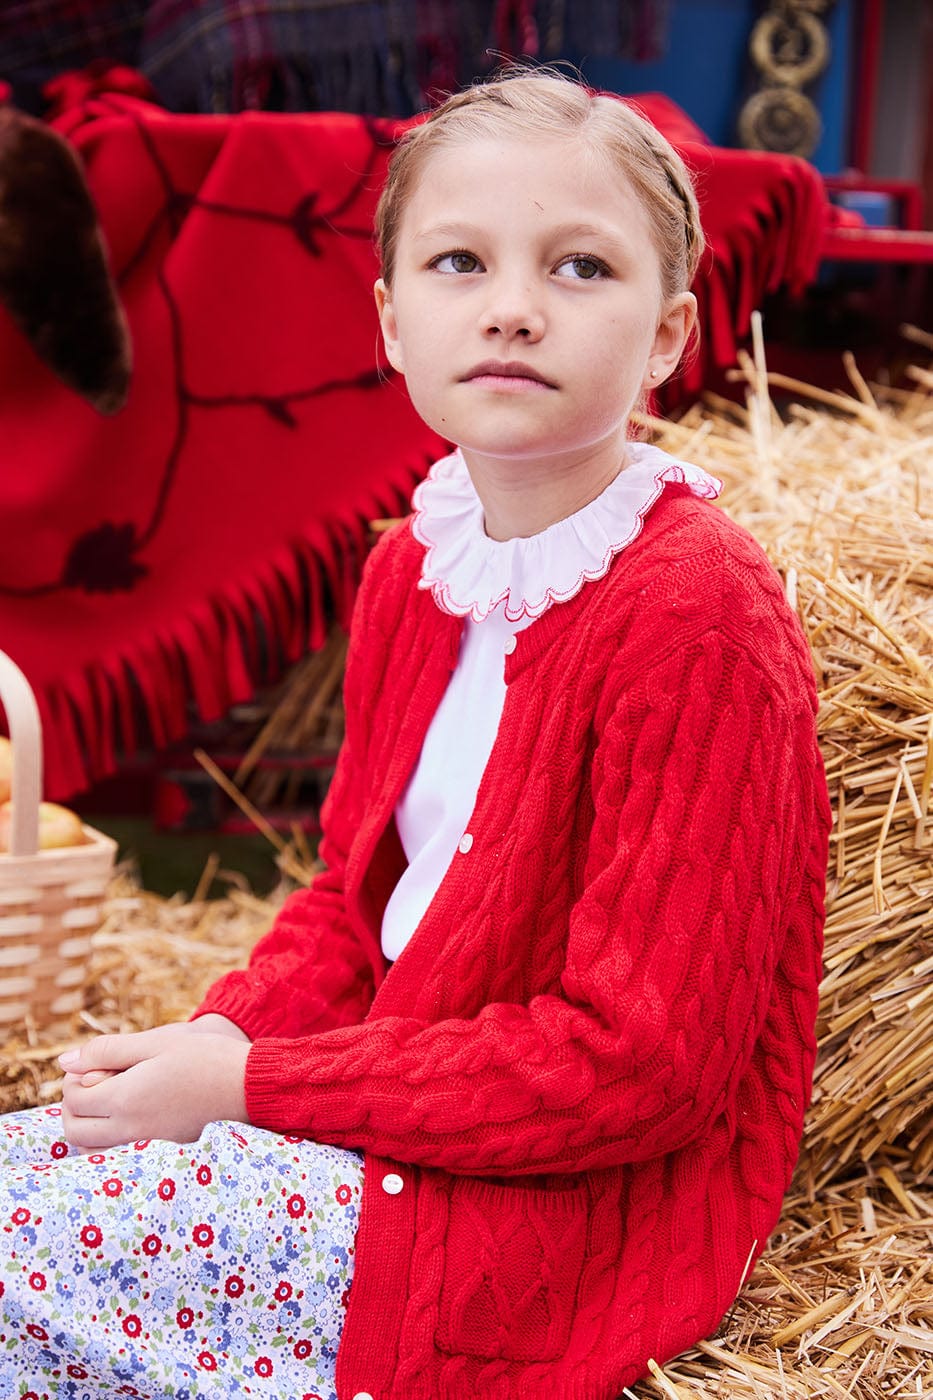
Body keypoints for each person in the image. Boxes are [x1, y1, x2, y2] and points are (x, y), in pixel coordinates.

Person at [0, 69, 831, 1400]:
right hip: (382, 1114)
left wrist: (257, 1086)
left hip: (530, 1219)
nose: (511, 306)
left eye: (578, 267)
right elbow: (347, 904)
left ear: (670, 330)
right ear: (391, 319)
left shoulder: (693, 613)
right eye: (458, 262)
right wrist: (208, 1048)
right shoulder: (417, 569)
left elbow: (638, 1068)